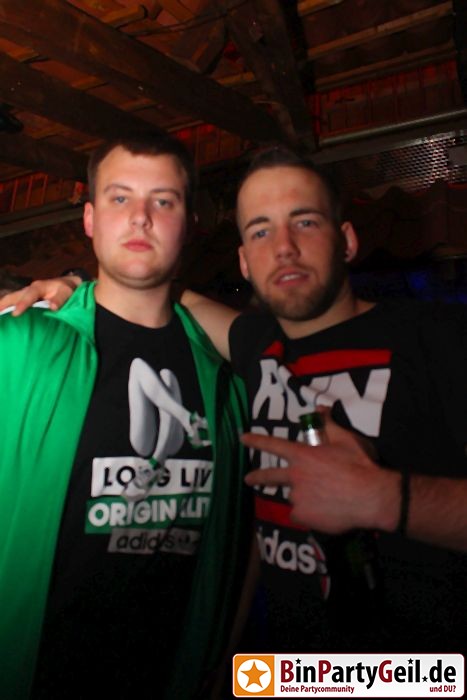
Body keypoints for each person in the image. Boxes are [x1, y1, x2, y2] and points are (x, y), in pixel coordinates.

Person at [5, 146, 467, 656]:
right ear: (244, 261)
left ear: (347, 240)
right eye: (261, 231)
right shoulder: (253, 347)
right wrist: (74, 284)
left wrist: (386, 498)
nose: (284, 248)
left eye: (305, 222)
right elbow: (149, 286)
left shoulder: (438, 339)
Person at [0, 132, 249, 699]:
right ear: (89, 219)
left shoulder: (228, 383)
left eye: (163, 200)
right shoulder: (18, 344)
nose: (140, 216)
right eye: (119, 198)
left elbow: (250, 535)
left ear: (189, 224)